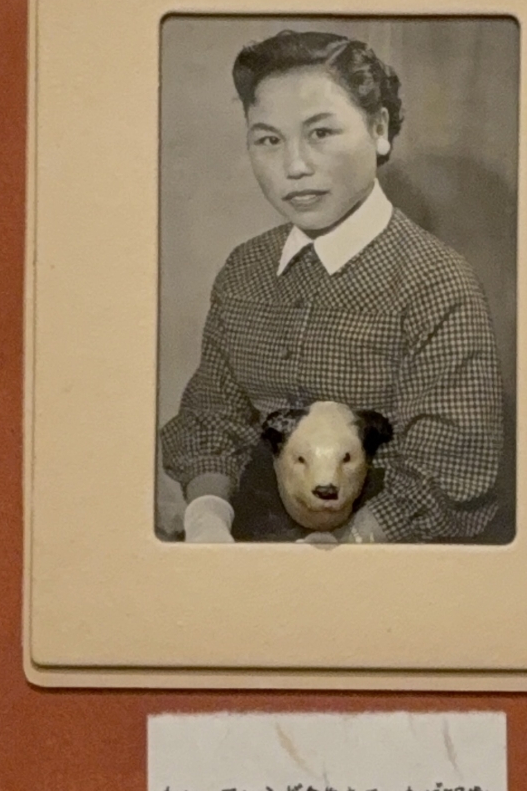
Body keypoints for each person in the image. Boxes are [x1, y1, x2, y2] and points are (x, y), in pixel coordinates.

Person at [160, 29, 505, 544]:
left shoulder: (437, 281)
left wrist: (344, 550)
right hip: (251, 540)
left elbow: (450, 470)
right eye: (268, 140)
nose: (294, 167)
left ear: (379, 129)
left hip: (389, 556)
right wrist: (208, 519)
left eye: (320, 133)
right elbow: (214, 417)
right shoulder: (245, 269)